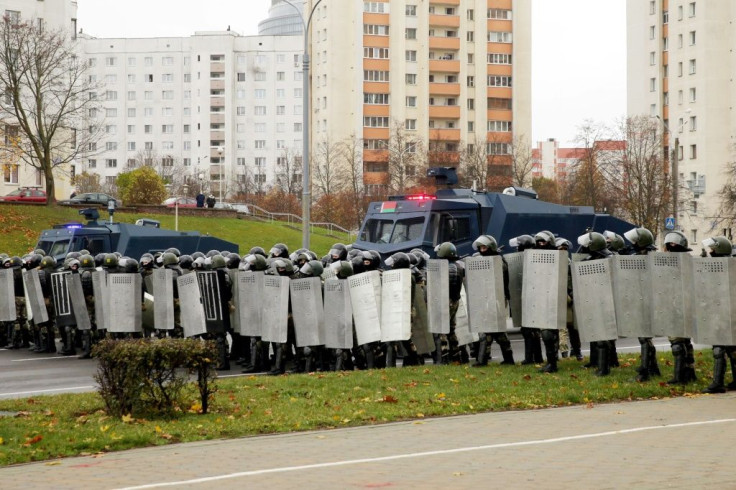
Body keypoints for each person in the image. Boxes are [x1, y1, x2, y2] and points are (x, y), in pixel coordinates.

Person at [469, 235, 515, 366]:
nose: (482, 250)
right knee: (494, 331)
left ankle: (483, 360)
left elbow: (496, 280)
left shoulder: (499, 261)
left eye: (484, 247)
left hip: (497, 298)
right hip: (486, 297)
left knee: (491, 329)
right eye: (480, 248)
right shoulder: (489, 260)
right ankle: (506, 358)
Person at [623, 227, 659, 382]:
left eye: (636, 241)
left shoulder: (651, 257)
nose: (633, 243)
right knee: (644, 337)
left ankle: (645, 372)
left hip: (648, 301)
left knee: (645, 338)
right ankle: (653, 368)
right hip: (640, 299)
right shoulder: (640, 255)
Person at [701, 236, 736, 394]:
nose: (711, 252)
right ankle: (720, 382)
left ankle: (719, 383)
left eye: (713, 249)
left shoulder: (731, 266)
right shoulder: (714, 265)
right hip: (719, 311)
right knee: (722, 348)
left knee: (725, 348)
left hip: (729, 312)